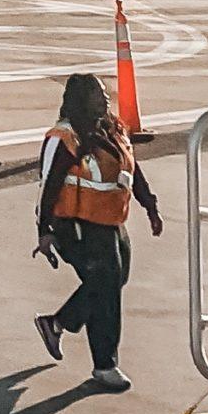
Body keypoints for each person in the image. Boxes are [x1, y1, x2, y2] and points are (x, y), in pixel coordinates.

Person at [32, 72, 161, 392]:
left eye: (104, 94)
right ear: (79, 99)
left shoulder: (113, 127)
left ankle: (58, 322)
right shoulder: (64, 138)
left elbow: (132, 168)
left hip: (111, 222)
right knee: (106, 289)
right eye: (96, 94)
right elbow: (47, 185)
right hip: (76, 226)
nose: (105, 99)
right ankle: (105, 365)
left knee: (114, 280)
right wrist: (44, 232)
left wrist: (150, 205)